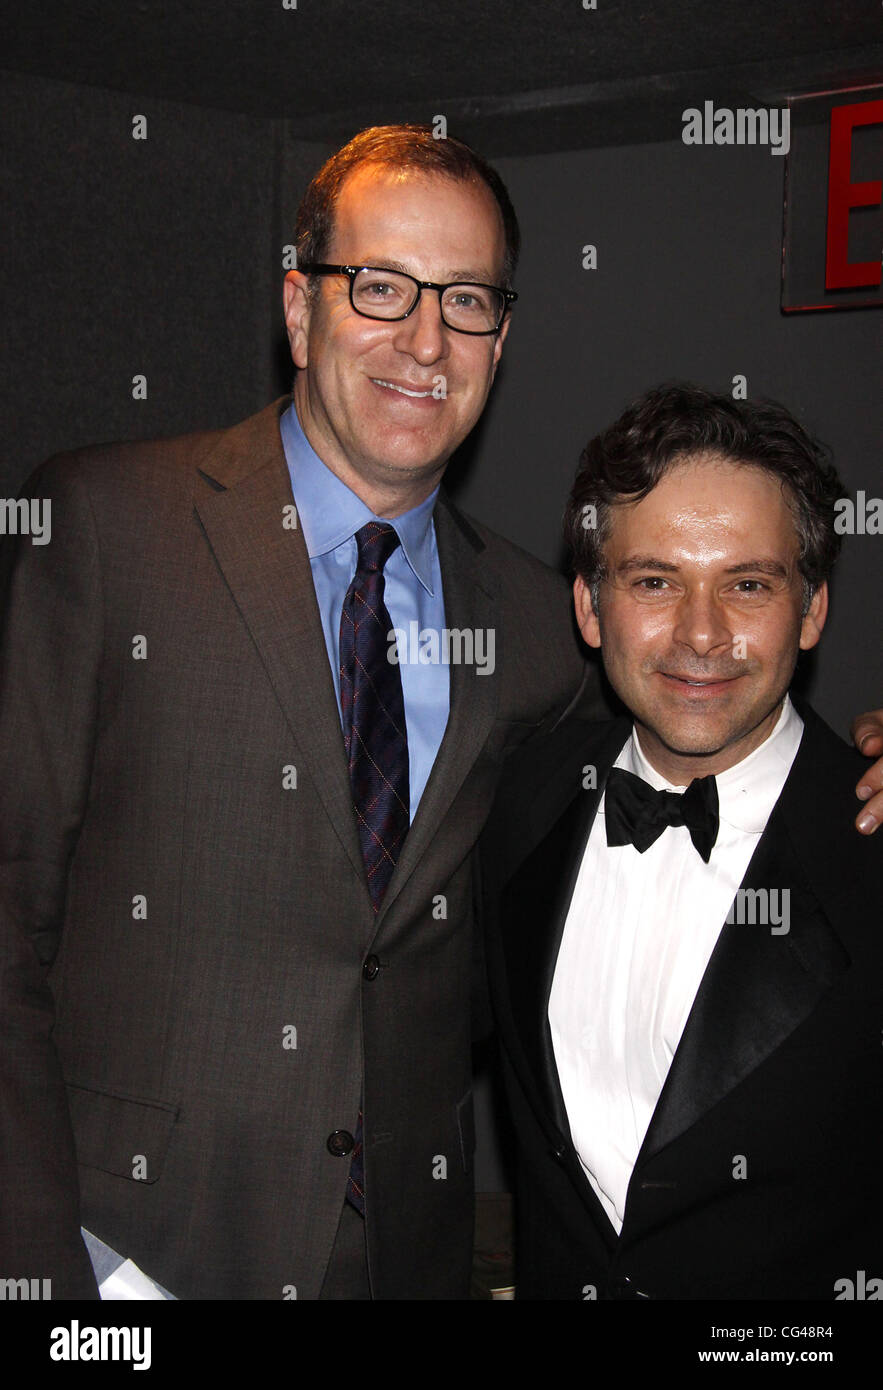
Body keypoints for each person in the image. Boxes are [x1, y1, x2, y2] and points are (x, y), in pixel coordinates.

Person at [0, 128, 880, 1301]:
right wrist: (46, 1274)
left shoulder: (531, 626)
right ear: (298, 308)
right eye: (380, 287)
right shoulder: (109, 524)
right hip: (127, 1259)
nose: (424, 340)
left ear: (501, 339)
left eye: (465, 300)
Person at [480, 383, 883, 1299]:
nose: (700, 635)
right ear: (589, 607)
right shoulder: (518, 801)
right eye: (654, 581)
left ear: (811, 611)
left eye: (747, 584)